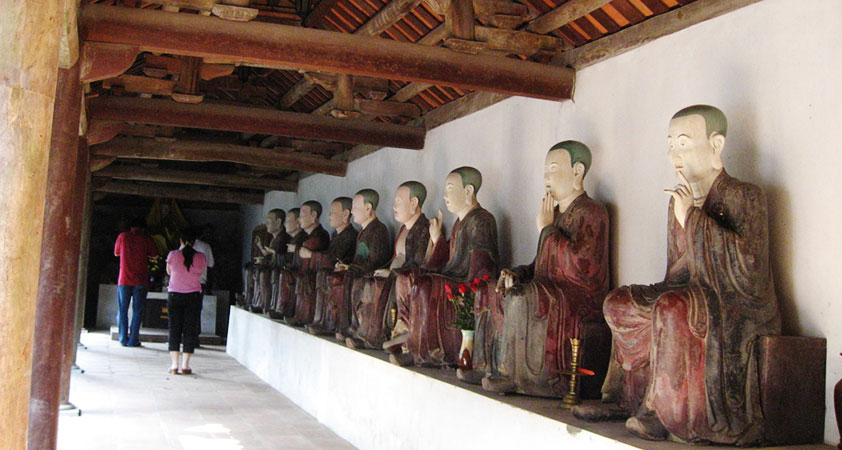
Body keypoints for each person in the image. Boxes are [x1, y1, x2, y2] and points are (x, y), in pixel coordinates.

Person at [166, 230, 208, 375]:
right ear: (195, 242)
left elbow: (169, 272)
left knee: (174, 328)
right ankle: (185, 365)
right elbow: (201, 272)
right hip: (193, 297)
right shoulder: (201, 257)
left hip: (174, 295)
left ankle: (174, 365)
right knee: (190, 330)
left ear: (180, 241)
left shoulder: (173, 255)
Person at [113, 217, 158, 347]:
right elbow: (155, 255)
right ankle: (133, 339)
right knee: (138, 311)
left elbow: (116, 253)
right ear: (143, 228)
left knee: (123, 310)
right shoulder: (146, 238)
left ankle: (122, 338)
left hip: (124, 279)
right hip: (140, 280)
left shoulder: (122, 236)